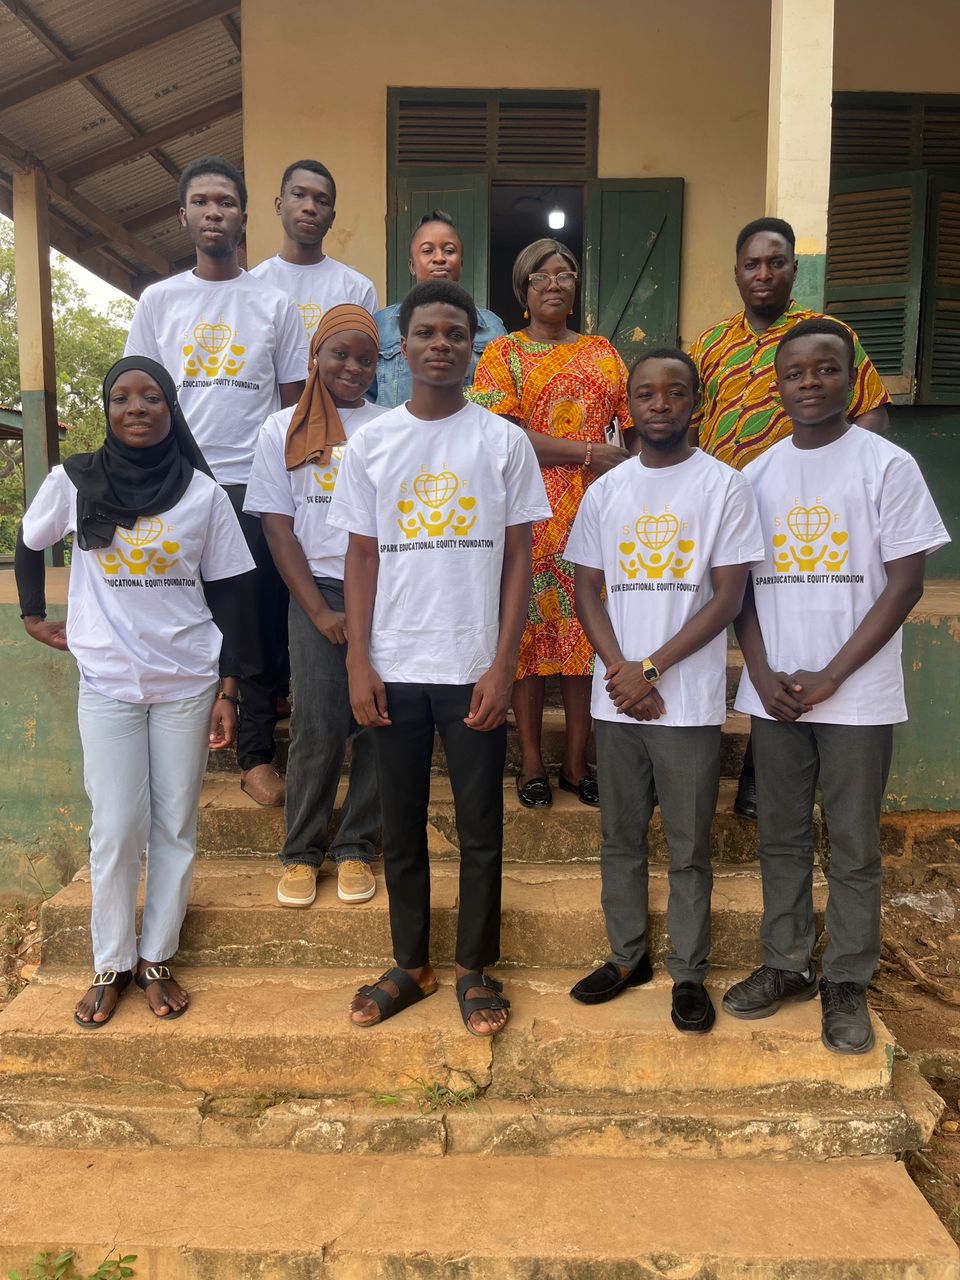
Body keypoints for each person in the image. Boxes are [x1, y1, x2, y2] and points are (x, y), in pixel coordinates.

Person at [328, 281, 550, 1036]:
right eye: (427, 332)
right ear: (405, 345)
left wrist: (503, 663)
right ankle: (411, 964)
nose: (441, 345)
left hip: (472, 666)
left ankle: (473, 966)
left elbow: (519, 559)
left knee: (481, 826)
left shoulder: (503, 441)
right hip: (394, 667)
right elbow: (361, 558)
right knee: (400, 824)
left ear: (473, 347)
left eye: (456, 333)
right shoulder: (374, 442)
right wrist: (359, 662)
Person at [721, 319, 949, 1054]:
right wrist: (760, 674)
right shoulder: (754, 477)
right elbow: (738, 590)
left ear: (851, 380)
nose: (810, 382)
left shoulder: (887, 467)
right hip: (777, 696)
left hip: (857, 695)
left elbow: (905, 584)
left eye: (825, 369)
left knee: (853, 844)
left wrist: (832, 676)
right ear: (778, 385)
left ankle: (847, 978)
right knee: (781, 837)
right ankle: (787, 963)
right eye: (795, 373)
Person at [15, 357, 256, 1026]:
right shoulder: (74, 480)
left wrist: (230, 690)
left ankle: (156, 957)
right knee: (118, 826)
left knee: (174, 824)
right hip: (109, 680)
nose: (137, 407)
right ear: (108, 410)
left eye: (151, 396)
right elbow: (30, 541)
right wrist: (32, 615)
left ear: (170, 408)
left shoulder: (204, 495)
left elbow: (234, 595)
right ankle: (110, 962)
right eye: (122, 397)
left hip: (188, 681)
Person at [566, 349, 763, 1032]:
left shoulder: (724, 487)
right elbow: (586, 588)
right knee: (620, 838)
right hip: (616, 700)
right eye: (645, 393)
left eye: (674, 392)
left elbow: (728, 597)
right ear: (629, 406)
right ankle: (627, 957)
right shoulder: (606, 491)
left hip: (687, 702)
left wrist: (648, 670)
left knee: (688, 846)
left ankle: (689, 972)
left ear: (695, 403)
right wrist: (623, 670)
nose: (659, 403)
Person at [689, 216, 892, 821]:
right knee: (712, 621)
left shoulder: (826, 336)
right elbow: (689, 427)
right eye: (752, 264)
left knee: (781, 629)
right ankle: (680, 760)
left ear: (794, 269)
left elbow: (872, 412)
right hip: (726, 511)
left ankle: (758, 775)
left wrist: (833, 477)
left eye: (775, 262)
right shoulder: (709, 344)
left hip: (801, 514)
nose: (763, 274)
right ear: (735, 272)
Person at [125, 155, 308, 808]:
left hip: (253, 486)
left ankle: (255, 755)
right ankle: (174, 746)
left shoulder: (275, 304)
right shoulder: (160, 301)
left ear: (244, 217)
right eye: (201, 202)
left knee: (252, 620)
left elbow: (293, 406)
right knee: (179, 612)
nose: (213, 212)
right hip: (179, 485)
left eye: (225, 202)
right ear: (183, 216)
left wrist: (291, 491)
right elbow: (139, 394)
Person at [470, 239, 633, 810]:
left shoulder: (603, 352)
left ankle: (577, 763)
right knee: (528, 640)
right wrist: (587, 452)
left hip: (596, 514)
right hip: (528, 516)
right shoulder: (504, 354)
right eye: (541, 277)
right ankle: (532, 762)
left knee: (585, 639)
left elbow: (632, 426)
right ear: (524, 290)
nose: (555, 284)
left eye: (565, 274)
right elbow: (503, 435)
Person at [244, 306, 386, 908]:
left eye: (365, 359)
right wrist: (320, 612)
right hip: (317, 590)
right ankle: (301, 852)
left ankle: (356, 845)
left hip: (384, 590)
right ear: (315, 357)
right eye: (340, 354)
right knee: (318, 723)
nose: (352, 367)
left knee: (378, 719)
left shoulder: (390, 426)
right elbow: (278, 529)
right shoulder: (280, 429)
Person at [372, 209, 506, 407]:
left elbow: (502, 399)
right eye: (427, 251)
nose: (439, 258)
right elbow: (364, 399)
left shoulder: (492, 327)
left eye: (449, 251)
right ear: (411, 265)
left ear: (461, 264)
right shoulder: (382, 325)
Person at [250, 159, 378, 336]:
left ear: (332, 218)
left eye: (322, 201)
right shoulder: (253, 285)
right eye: (299, 195)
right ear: (279, 205)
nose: (310, 208)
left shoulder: (357, 289)